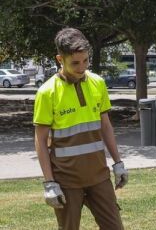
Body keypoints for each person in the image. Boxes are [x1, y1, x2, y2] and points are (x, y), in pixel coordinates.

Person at [33, 27, 128, 230]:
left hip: (99, 176)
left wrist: (118, 162)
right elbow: (40, 141)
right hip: (66, 180)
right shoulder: (46, 92)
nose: (81, 67)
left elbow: (106, 126)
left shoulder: (98, 83)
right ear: (60, 59)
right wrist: (49, 183)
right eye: (75, 63)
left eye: (85, 61)